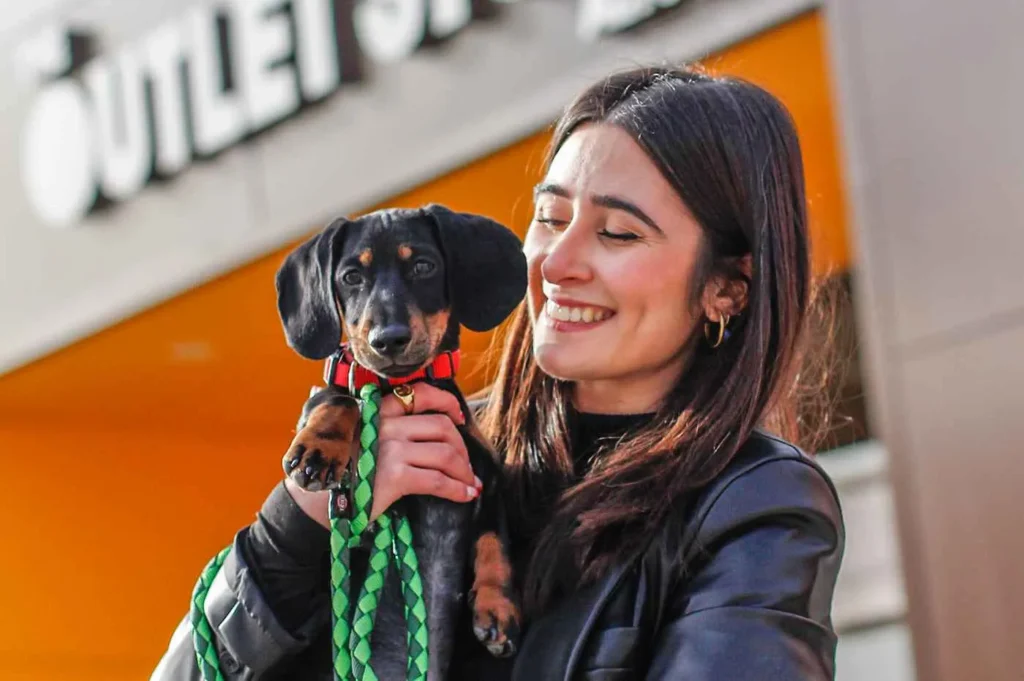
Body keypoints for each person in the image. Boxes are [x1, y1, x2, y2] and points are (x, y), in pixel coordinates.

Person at [151, 65, 844, 681]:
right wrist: (295, 528)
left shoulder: (756, 501)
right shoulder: (424, 445)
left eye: (619, 233)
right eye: (551, 217)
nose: (557, 261)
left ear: (728, 287)